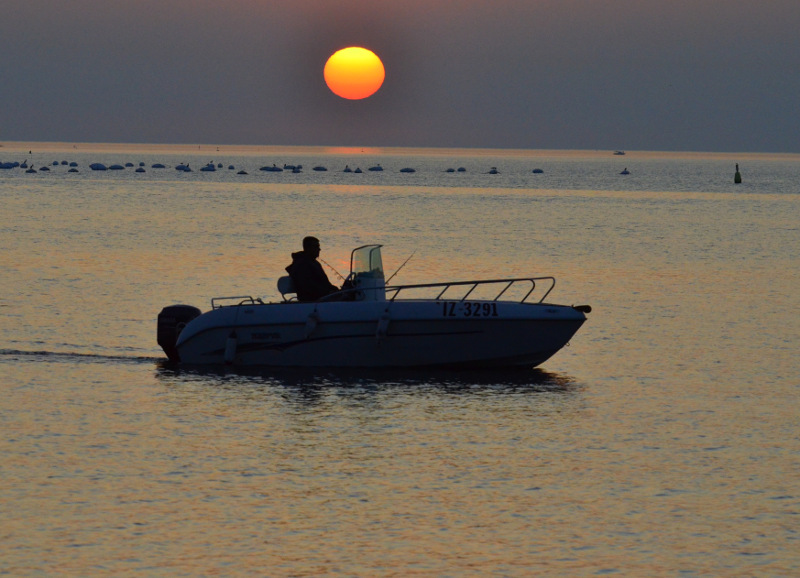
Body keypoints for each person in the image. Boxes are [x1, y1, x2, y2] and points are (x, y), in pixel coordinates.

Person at [285, 236, 340, 302]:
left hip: (323, 297)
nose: (319, 249)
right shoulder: (301, 265)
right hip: (312, 300)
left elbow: (325, 283)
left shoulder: (315, 263)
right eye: (316, 246)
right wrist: (328, 292)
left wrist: (335, 289)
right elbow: (308, 287)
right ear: (308, 248)